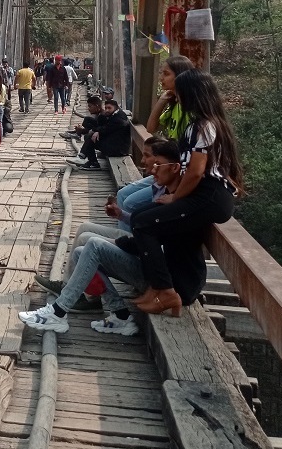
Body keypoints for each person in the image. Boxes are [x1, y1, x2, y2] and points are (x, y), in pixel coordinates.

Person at [19, 140, 186, 335]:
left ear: (175, 168)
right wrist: (121, 216)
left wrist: (116, 244)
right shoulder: (164, 191)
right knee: (83, 250)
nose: (149, 167)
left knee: (93, 245)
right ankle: (120, 314)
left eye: (156, 163)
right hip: (146, 261)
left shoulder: (174, 203)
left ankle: (59, 311)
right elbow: (145, 232)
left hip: (158, 277)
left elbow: (152, 243)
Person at [124, 71, 244, 316]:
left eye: (179, 92)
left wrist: (175, 197)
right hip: (205, 195)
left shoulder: (203, 126)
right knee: (148, 218)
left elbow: (197, 170)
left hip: (209, 196)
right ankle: (164, 289)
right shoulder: (204, 123)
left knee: (144, 222)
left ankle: (165, 291)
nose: (175, 96)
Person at [118, 56, 197, 217]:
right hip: (168, 170)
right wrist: (162, 100)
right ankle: (125, 238)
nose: (161, 78)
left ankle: (131, 239)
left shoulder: (191, 110)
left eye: (166, 74)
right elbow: (151, 127)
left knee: (130, 203)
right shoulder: (174, 104)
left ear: (181, 76)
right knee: (122, 195)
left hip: (176, 173)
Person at [68, 99, 132, 170]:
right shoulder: (115, 114)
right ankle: (88, 160)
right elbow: (106, 127)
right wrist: (97, 131)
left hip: (118, 149)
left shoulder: (119, 118)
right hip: (114, 143)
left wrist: (95, 131)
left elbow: (107, 128)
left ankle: (87, 159)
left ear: (116, 108)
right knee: (89, 135)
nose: (107, 110)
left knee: (89, 137)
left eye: (109, 108)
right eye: (106, 108)